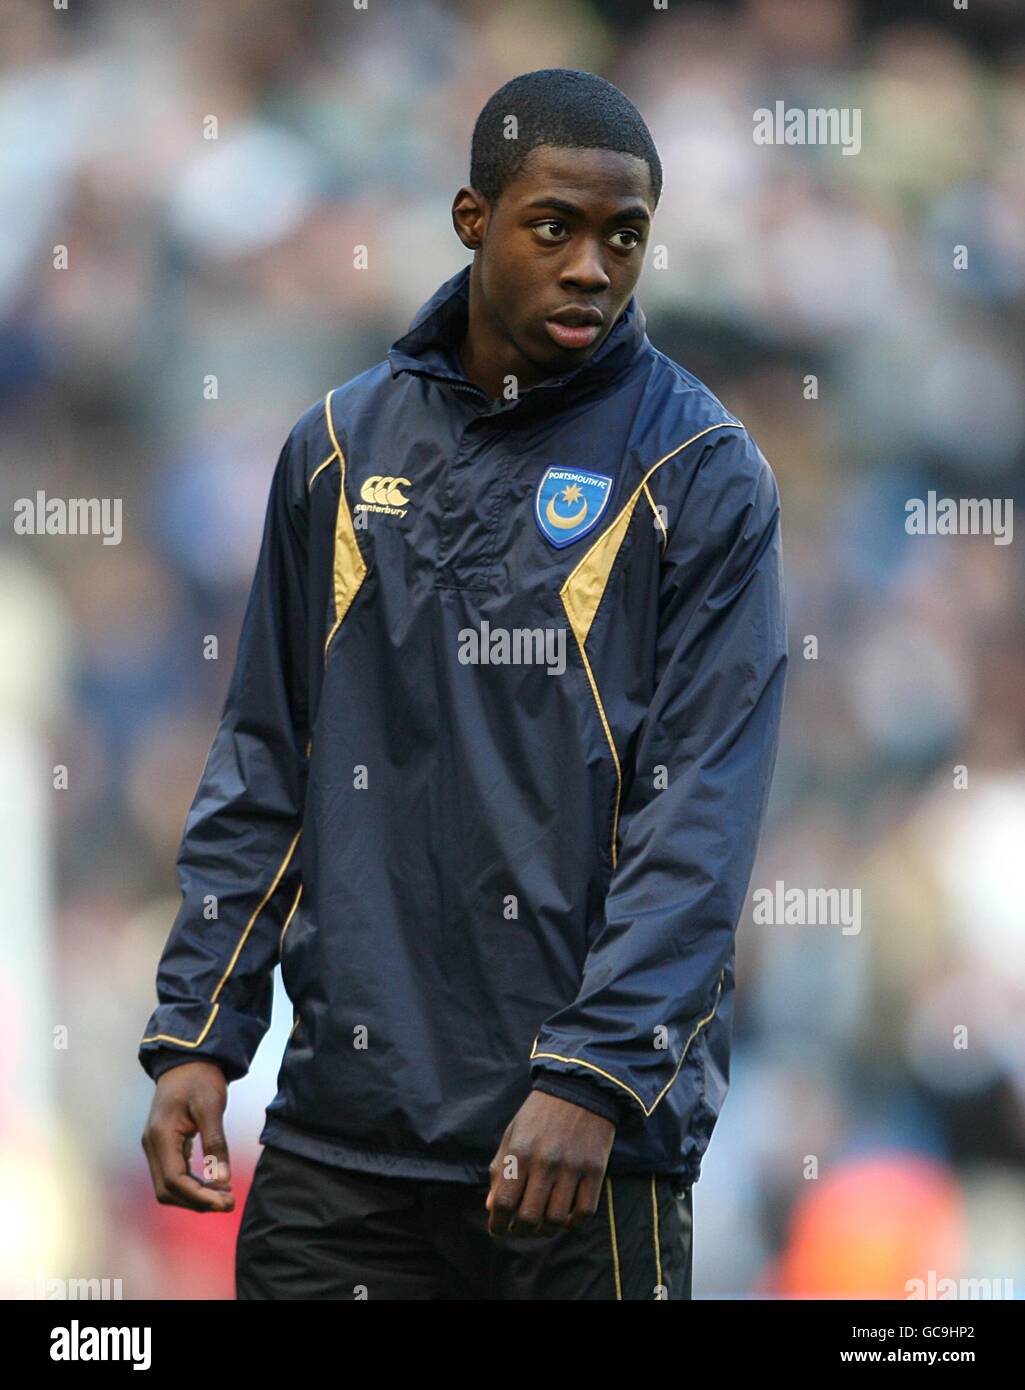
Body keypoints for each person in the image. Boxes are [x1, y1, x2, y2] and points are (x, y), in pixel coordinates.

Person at [139, 67, 788, 1301]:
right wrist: (198, 1032)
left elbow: (697, 815)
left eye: (625, 235)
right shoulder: (336, 448)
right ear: (471, 218)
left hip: (580, 1157)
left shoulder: (702, 475)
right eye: (556, 227)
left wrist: (591, 1077)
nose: (593, 267)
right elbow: (267, 758)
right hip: (343, 1146)